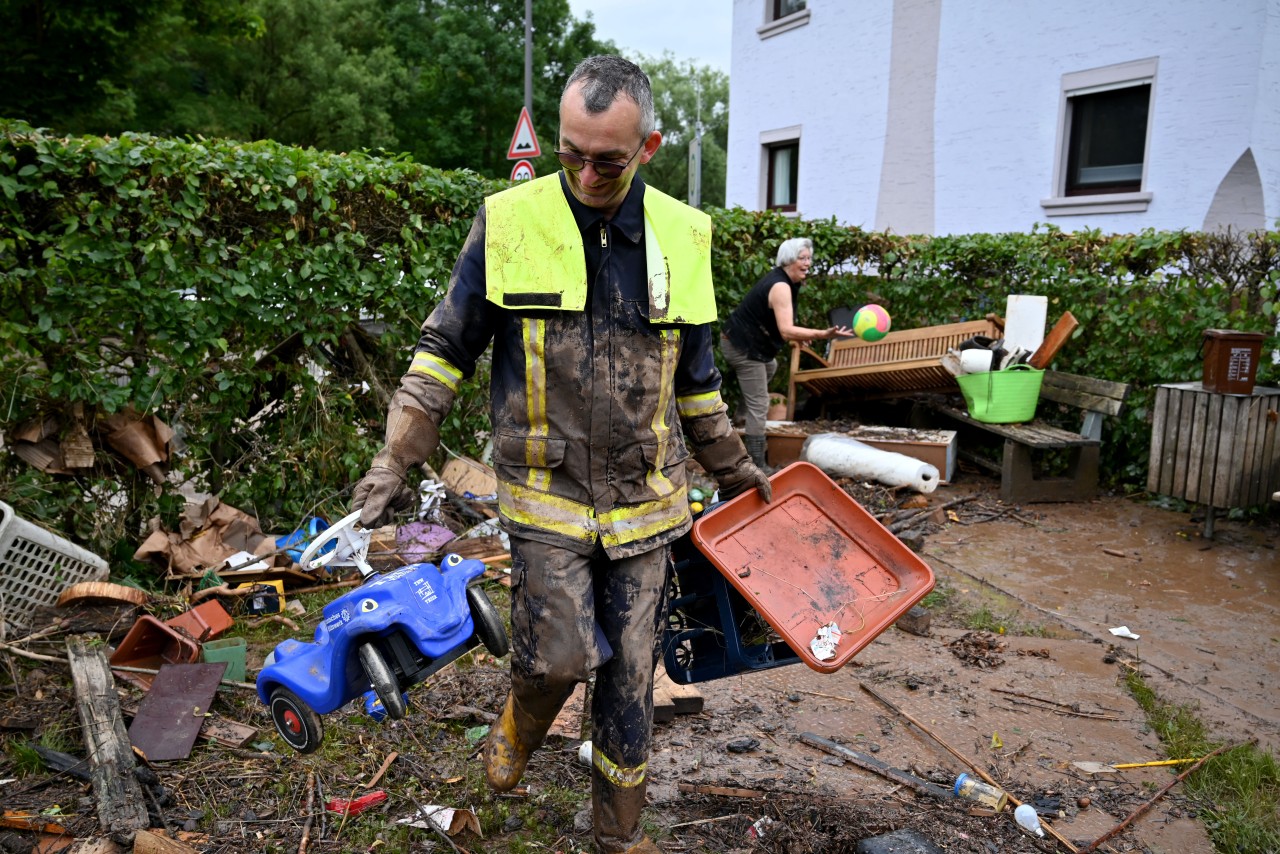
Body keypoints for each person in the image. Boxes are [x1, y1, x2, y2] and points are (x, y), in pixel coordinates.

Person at [351, 55, 771, 854]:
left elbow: (700, 383)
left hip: (649, 499)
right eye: (569, 152)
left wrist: (741, 475)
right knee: (558, 658)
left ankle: (618, 835)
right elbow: (445, 349)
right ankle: (521, 716)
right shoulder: (509, 223)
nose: (583, 172)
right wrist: (396, 456)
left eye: (605, 159)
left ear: (647, 146)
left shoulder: (683, 238)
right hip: (547, 495)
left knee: (629, 678)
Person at [720, 238, 850, 468]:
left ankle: (740, 416)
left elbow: (784, 323)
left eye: (809, 258)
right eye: (802, 258)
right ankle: (756, 464)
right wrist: (822, 334)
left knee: (770, 367)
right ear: (789, 260)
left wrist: (801, 335)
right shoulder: (780, 286)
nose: (808, 263)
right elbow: (786, 330)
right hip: (741, 346)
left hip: (751, 345)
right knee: (760, 404)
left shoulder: (787, 281)